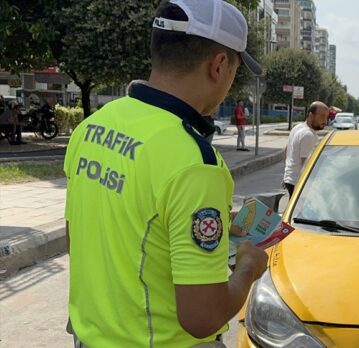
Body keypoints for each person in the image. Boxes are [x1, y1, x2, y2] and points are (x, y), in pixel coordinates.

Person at [63, 1, 267, 347]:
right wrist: (248, 267)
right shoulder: (195, 162)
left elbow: (81, 238)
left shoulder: (93, 126)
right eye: (235, 71)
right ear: (219, 66)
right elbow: (202, 318)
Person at [283, 101, 328, 196]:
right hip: (298, 183)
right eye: (322, 116)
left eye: (326, 117)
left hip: (290, 180)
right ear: (311, 115)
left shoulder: (298, 127)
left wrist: (287, 173)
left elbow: (286, 150)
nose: (325, 121)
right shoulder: (308, 135)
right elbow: (307, 164)